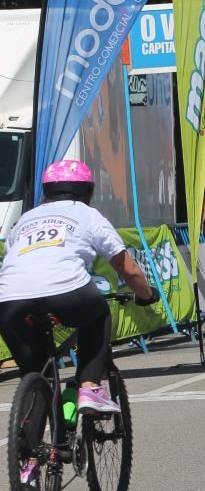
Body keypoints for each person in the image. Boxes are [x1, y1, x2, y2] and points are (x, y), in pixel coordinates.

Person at [0, 161, 159, 419]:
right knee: (97, 315)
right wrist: (147, 295)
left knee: (37, 377)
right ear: (88, 191)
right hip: (66, 289)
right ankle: (89, 388)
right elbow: (128, 269)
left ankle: (28, 455)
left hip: (9, 299)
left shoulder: (24, 219)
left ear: (46, 191)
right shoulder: (88, 215)